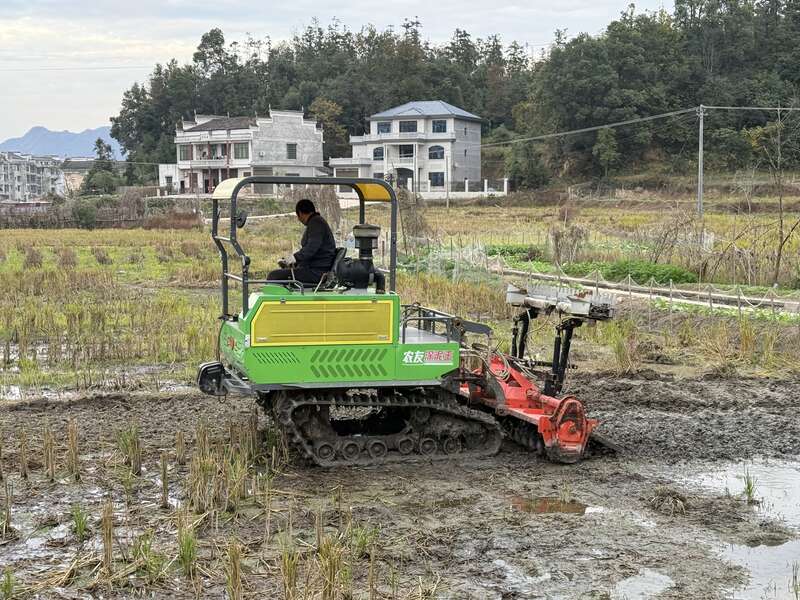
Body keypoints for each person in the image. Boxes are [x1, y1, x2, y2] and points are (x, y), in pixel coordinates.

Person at [267, 199, 337, 285]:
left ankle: (280, 298)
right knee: (282, 273)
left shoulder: (316, 223)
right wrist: (294, 263)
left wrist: (294, 258)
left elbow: (310, 249)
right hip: (315, 268)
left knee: (273, 276)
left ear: (300, 213)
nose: (299, 219)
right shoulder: (316, 222)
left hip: (317, 272)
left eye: (298, 216)